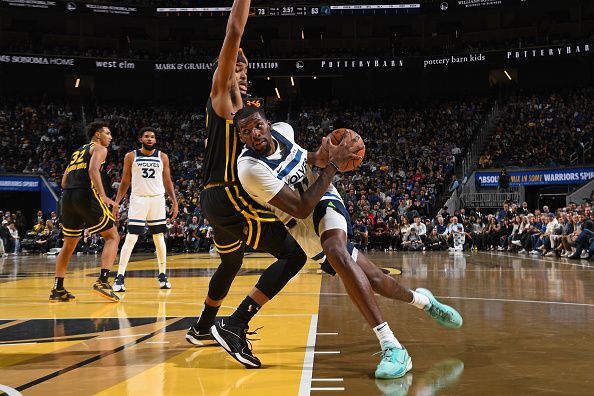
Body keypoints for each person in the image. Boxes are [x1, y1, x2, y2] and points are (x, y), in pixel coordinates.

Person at [230, 107, 463, 379]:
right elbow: (302, 207)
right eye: (246, 132)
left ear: (268, 124)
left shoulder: (284, 131)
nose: (254, 134)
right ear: (241, 138)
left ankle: (392, 346)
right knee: (374, 279)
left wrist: (326, 154)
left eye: (257, 126)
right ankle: (425, 302)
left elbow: (311, 159)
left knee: (335, 249)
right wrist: (333, 165)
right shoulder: (249, 169)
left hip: (325, 198)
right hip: (303, 224)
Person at [185, 0, 350, 362]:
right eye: (236, 68)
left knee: (230, 263)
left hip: (215, 199)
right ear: (223, 70)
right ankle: (235, 324)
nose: (242, 73)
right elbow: (233, 33)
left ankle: (202, 327)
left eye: (246, 70)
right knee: (292, 253)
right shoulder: (219, 97)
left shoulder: (240, 111)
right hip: (229, 196)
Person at [50, 121, 120, 303]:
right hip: (85, 194)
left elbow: (64, 181)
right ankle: (103, 282)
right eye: (108, 133)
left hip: (67, 197)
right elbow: (92, 170)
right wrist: (103, 196)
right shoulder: (99, 149)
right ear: (98, 135)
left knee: (69, 245)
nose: (110, 137)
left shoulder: (77, 152)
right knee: (113, 236)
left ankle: (58, 289)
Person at [112, 127, 179, 291]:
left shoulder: (162, 157)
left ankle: (163, 275)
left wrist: (174, 202)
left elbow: (167, 181)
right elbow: (125, 181)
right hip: (138, 199)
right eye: (147, 136)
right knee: (131, 237)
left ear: (155, 140)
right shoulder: (131, 156)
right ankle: (120, 276)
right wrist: (116, 203)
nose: (150, 139)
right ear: (141, 139)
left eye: (152, 137)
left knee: (158, 237)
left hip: (157, 199)